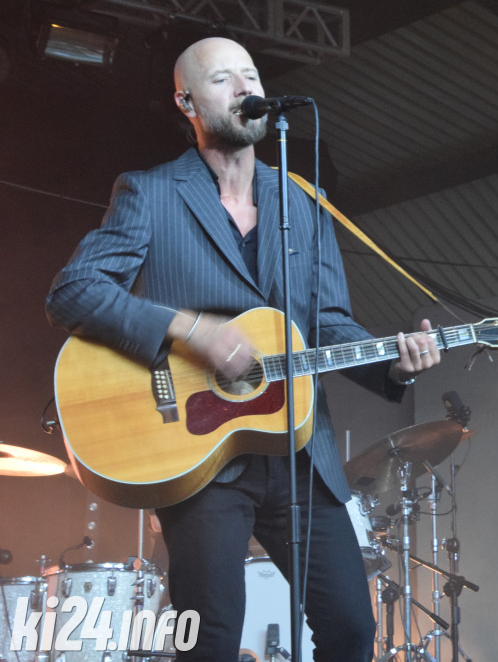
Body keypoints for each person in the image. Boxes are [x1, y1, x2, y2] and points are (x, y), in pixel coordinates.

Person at [45, 36, 440, 661]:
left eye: (250, 75)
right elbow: (73, 291)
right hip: (199, 453)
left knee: (351, 629)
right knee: (211, 639)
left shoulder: (304, 204)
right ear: (187, 102)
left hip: (298, 451)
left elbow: (329, 325)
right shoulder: (150, 193)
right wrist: (191, 331)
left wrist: (392, 361)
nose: (244, 89)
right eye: (223, 79)